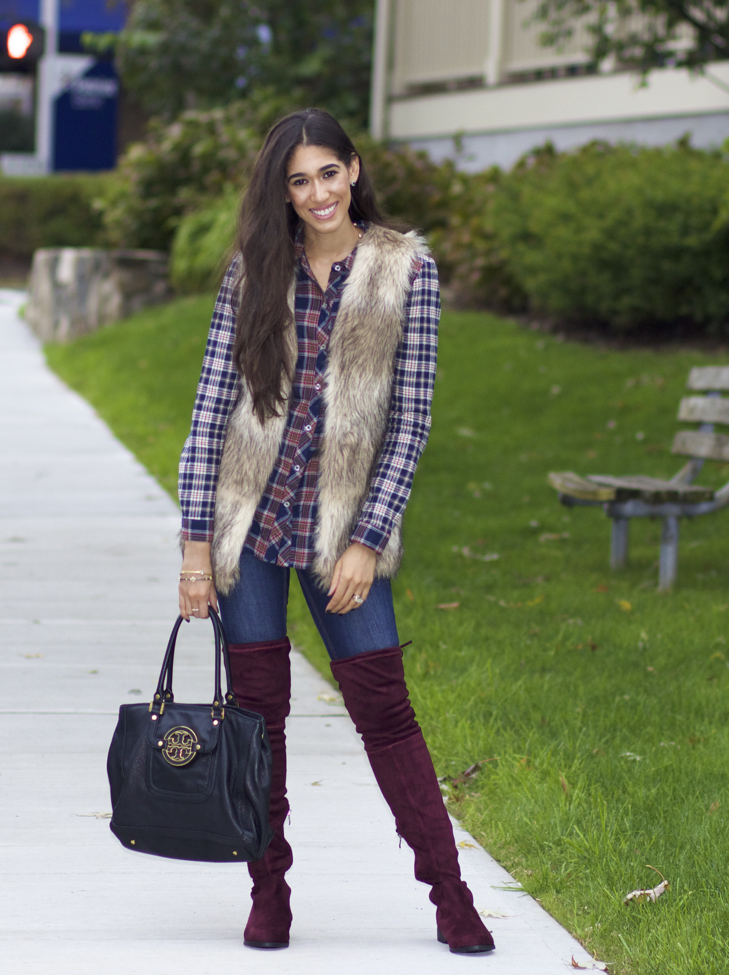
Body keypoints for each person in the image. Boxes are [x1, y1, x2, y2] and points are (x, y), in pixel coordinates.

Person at [177, 108, 494, 955]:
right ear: (281, 192)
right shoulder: (253, 271)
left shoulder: (405, 269)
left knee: (384, 708)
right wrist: (196, 548)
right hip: (249, 527)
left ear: (352, 170)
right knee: (259, 718)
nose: (317, 192)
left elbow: (410, 421)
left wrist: (367, 538)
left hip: (344, 528)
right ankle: (268, 890)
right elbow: (209, 412)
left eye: (327, 172)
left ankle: (450, 895)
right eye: (298, 180)